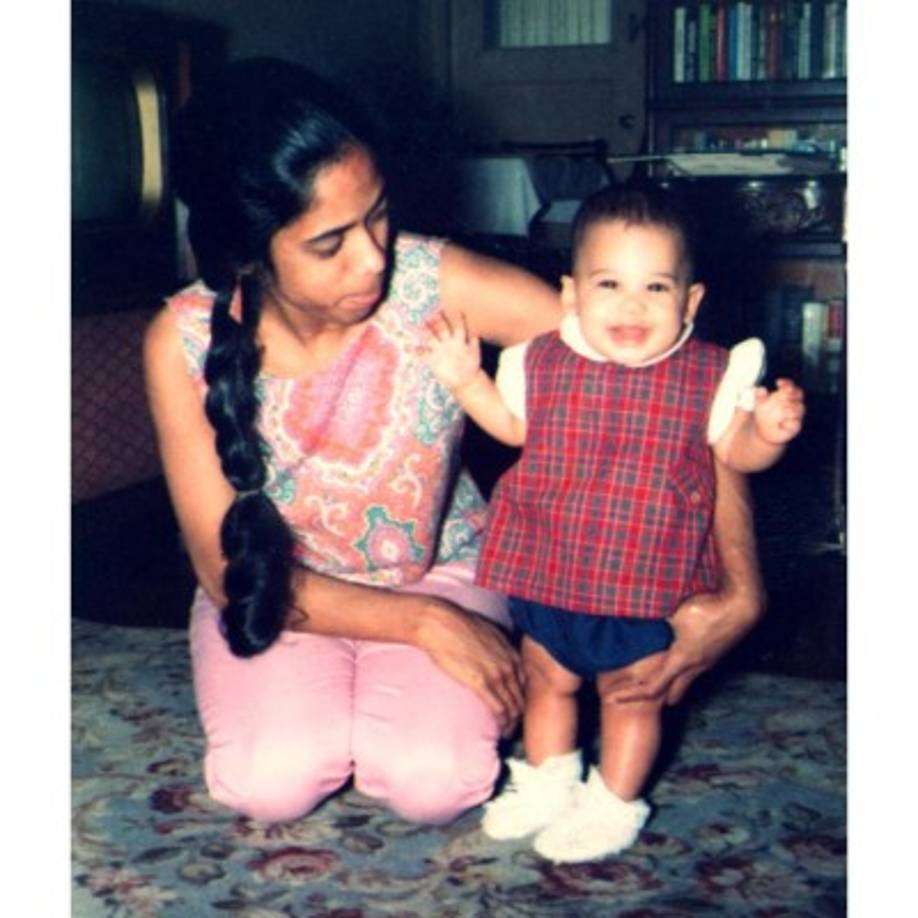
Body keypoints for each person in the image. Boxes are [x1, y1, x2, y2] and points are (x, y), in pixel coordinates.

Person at [143, 57, 766, 830]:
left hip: (440, 569)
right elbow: (228, 571)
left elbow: (671, 387)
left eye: (378, 215)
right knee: (270, 783)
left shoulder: (433, 282)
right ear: (247, 251)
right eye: (330, 243)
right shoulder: (180, 342)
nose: (374, 258)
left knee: (435, 782)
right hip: (279, 591)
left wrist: (739, 588)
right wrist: (426, 625)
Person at [423, 185, 804, 862]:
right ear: (572, 294)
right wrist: (464, 381)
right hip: (549, 566)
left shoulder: (711, 375)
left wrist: (767, 434)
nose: (632, 306)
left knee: (631, 697)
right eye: (609, 284)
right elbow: (510, 427)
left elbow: (734, 454)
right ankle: (547, 781)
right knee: (547, 680)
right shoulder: (538, 360)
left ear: (690, 301)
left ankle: (614, 803)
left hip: (647, 582)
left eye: (656, 287)